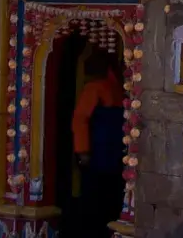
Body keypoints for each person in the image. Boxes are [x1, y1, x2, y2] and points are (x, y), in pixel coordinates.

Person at [71, 52, 127, 234]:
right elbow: (80, 120)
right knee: (94, 201)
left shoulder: (121, 89)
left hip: (116, 157)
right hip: (97, 156)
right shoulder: (95, 88)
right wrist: (83, 151)